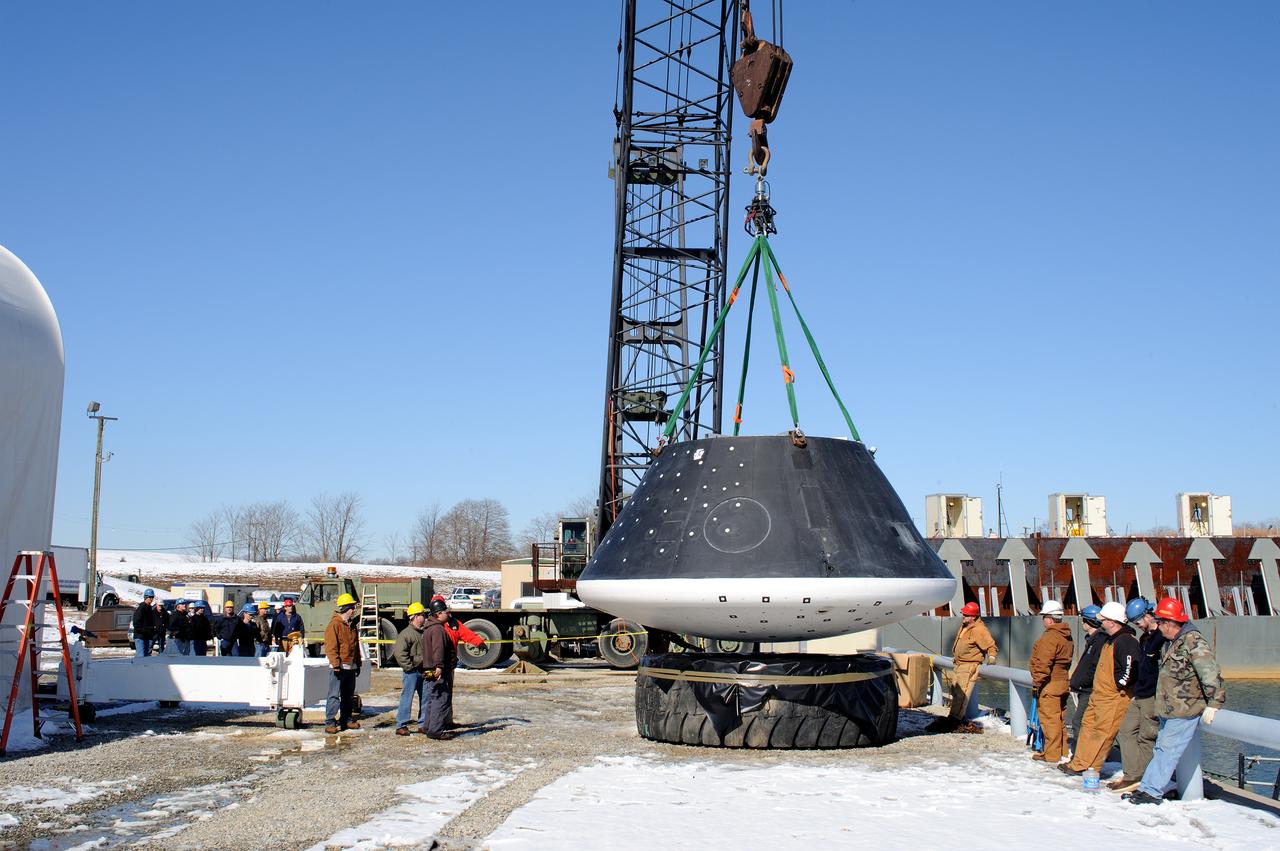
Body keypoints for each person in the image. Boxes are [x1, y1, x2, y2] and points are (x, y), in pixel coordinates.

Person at [1127, 598, 1227, 806]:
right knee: (1162, 749)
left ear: (1171, 622)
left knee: (1167, 751)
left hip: (1185, 708)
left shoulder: (1193, 641)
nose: (1159, 627)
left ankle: (1150, 792)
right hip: (1170, 708)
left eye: (1161, 622)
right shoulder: (1174, 642)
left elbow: (1209, 673)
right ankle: (1148, 789)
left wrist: (1214, 704)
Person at [1060, 601, 1140, 775]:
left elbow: (1131, 667)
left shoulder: (1126, 641)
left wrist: (1120, 685)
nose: (1100, 622)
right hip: (1099, 694)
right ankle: (1079, 763)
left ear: (1112, 622)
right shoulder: (1110, 640)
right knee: (1088, 727)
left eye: (1103, 619)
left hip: (1113, 696)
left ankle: (1092, 767)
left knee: (1103, 732)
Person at [1111, 597, 1166, 792]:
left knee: (1147, 735)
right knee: (1125, 730)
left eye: (1139, 621)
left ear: (1149, 615)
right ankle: (1132, 773)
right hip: (1140, 693)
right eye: (1135, 623)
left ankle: (1142, 776)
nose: (1138, 626)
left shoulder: (1162, 636)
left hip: (1152, 694)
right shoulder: (1144, 639)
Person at [928, 601, 997, 733]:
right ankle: (953, 717)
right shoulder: (965, 626)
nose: (963, 616)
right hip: (959, 664)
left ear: (973, 617)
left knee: (962, 694)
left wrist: (992, 657)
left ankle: (955, 720)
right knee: (955, 691)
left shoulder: (979, 630)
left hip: (969, 665)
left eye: (966, 614)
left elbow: (991, 646)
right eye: (964, 614)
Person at [432, 594, 487, 729]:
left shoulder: (453, 623)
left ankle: (447, 720)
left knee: (447, 694)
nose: (447, 612)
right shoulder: (434, 626)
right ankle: (435, 724)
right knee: (437, 695)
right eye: (444, 610)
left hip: (449, 664)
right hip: (437, 665)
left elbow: (466, 633)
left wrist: (478, 642)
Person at [1028, 600, 1073, 763]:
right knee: (1059, 718)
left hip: (1050, 683)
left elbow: (1043, 664)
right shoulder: (1066, 636)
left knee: (1049, 720)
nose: (1043, 620)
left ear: (1049, 619)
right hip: (1062, 681)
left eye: (1044, 617)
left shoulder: (1050, 637)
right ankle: (1062, 750)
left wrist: (1037, 684)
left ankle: (1052, 754)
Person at [323, 593, 362, 734]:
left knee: (348, 695)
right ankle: (330, 721)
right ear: (346, 608)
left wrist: (358, 663)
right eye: (351, 607)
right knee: (334, 695)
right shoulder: (334, 625)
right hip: (339, 667)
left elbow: (355, 646)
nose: (353, 610)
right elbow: (331, 647)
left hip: (350, 666)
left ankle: (346, 719)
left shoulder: (351, 625)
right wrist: (336, 664)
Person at [1068, 604, 1105, 752]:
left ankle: (1080, 755)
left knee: (1079, 722)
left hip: (1089, 690)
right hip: (1085, 688)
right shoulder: (1092, 640)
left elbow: (1093, 668)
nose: (1082, 622)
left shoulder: (1099, 641)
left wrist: (1082, 683)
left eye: (1084, 619)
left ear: (1089, 621)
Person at [420, 598, 456, 740]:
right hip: (438, 670)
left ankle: (429, 726)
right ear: (439, 614)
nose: (448, 614)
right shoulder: (438, 629)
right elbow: (438, 649)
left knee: (432, 699)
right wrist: (439, 666)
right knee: (440, 699)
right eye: (446, 612)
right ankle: (435, 730)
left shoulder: (429, 628)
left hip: (430, 668)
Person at [392, 602, 429, 736]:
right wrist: (409, 667)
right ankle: (401, 725)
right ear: (414, 617)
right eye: (422, 615)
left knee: (425, 698)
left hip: (423, 671)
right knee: (407, 698)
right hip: (412, 672)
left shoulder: (423, 633)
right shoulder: (406, 634)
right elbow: (399, 653)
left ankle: (423, 724)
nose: (424, 617)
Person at [132, 589, 159, 657]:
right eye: (150, 597)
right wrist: (142, 631)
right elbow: (136, 622)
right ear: (146, 597)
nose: (151, 599)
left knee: (147, 656)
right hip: (140, 636)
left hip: (147, 636)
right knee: (141, 656)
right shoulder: (141, 608)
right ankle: (137, 667)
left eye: (152, 597)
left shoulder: (150, 608)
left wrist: (152, 632)